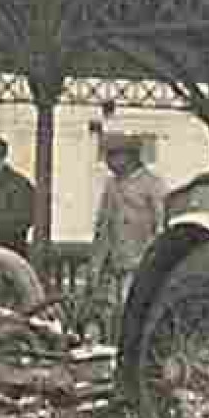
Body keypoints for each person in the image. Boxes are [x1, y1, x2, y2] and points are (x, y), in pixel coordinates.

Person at [88, 132, 167, 345]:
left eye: (114, 156)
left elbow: (161, 226)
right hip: (115, 264)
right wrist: (95, 264)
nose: (108, 162)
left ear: (130, 157)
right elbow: (103, 227)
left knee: (133, 311)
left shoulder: (153, 184)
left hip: (140, 263)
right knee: (111, 315)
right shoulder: (111, 185)